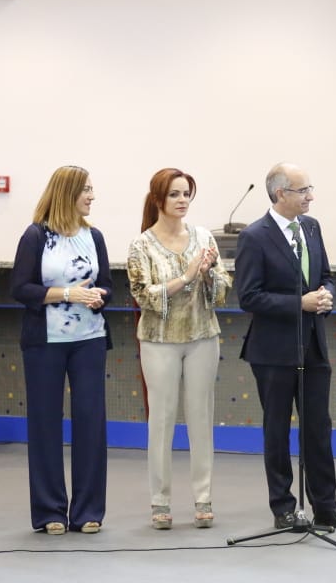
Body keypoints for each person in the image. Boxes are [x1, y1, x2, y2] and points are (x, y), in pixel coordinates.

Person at [236, 163, 336, 531]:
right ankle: (284, 507)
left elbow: (326, 276)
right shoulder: (255, 237)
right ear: (280, 194)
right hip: (272, 352)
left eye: (310, 189)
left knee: (318, 427)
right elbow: (249, 296)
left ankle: (326, 505)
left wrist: (325, 296)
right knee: (276, 429)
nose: (310, 197)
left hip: (313, 346)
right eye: (303, 191)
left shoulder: (311, 227)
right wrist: (297, 304)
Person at [126, 168, 232, 530]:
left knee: (201, 418)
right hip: (159, 342)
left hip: (203, 336)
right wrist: (185, 277)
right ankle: (160, 501)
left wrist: (209, 274)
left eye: (186, 193)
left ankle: (204, 498)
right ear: (158, 199)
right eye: (174, 194)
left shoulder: (204, 238)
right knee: (162, 420)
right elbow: (142, 295)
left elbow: (222, 289)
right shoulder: (142, 244)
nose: (182, 200)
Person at [10, 166, 112, 535]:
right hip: (45, 344)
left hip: (89, 340)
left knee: (90, 422)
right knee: (44, 424)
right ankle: (50, 511)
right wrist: (67, 294)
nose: (91, 196)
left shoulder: (94, 235)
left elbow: (107, 285)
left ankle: (87, 511)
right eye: (86, 190)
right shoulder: (35, 236)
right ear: (67, 193)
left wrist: (99, 296)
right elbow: (21, 288)